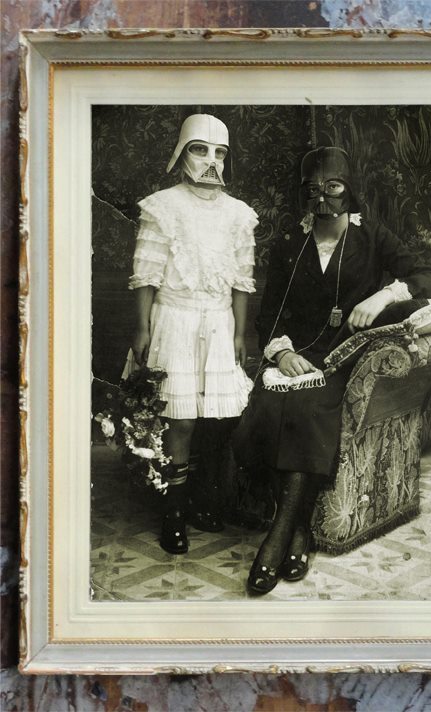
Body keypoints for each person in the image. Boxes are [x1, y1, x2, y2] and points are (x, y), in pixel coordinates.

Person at [233, 146, 431, 595]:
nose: (323, 198)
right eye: (313, 190)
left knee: (308, 409)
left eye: (333, 187)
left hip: (345, 358)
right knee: (270, 405)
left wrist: (382, 297)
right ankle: (300, 534)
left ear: (349, 189)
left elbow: (430, 277)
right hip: (297, 358)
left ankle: (276, 540)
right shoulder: (289, 245)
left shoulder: (373, 237)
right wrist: (282, 354)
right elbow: (269, 315)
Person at [123, 113, 258, 555]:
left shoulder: (239, 214)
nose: (211, 161)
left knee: (215, 418)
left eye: (220, 152)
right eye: (200, 150)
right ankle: (174, 513)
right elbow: (146, 273)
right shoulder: (162, 207)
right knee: (179, 419)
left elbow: (242, 280)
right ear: (182, 153)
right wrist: (142, 327)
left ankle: (202, 499)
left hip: (219, 322)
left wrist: (239, 333)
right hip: (174, 320)